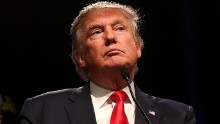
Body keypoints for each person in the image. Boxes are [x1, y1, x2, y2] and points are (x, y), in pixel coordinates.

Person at [16, 1, 196, 124]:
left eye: (120, 28)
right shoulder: (42, 111)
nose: (110, 37)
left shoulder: (177, 115)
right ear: (80, 56)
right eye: (96, 32)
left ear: (138, 47)